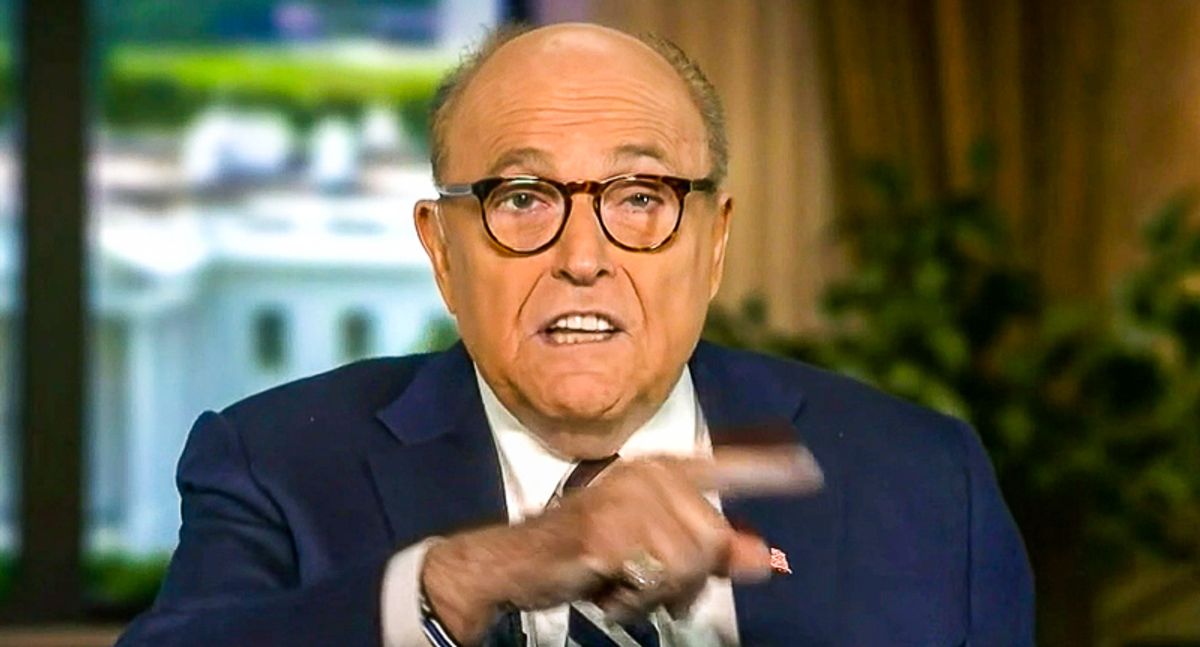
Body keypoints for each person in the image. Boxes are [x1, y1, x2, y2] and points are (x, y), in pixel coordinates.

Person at [116, 22, 1033, 647]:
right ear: (441, 251)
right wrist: (471, 575)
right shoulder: (275, 462)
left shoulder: (923, 477)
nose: (583, 258)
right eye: (522, 198)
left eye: (641, 198)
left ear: (715, 242)